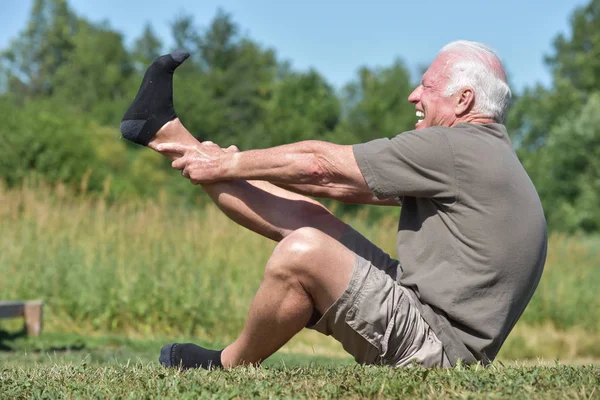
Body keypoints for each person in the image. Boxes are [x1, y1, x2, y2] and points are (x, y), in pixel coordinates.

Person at [120, 40, 547, 369]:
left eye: (429, 86)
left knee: (305, 250)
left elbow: (320, 167)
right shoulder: (484, 156)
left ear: (464, 100)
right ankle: (168, 135)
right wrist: (222, 166)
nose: (414, 95)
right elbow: (338, 188)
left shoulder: (455, 148)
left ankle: (226, 365)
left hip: (438, 351)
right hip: (426, 316)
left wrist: (227, 161)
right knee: (314, 223)